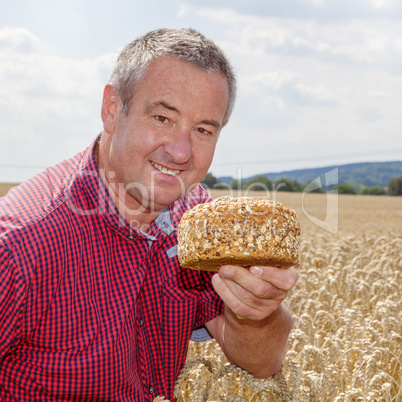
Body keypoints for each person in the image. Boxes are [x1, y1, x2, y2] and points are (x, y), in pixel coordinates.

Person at [0, 28, 298, 401]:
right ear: (112, 109)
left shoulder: (198, 224)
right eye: (162, 118)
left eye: (203, 129)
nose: (180, 151)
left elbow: (262, 363)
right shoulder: (20, 244)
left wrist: (256, 312)